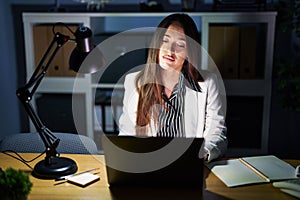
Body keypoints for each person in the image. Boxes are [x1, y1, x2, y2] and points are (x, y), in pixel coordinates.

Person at [118, 13, 227, 162]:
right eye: (165, 41)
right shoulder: (134, 82)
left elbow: (217, 133)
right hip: (148, 165)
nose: (170, 50)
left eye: (180, 45)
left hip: (189, 164)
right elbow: (127, 135)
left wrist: (201, 154)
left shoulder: (208, 83)